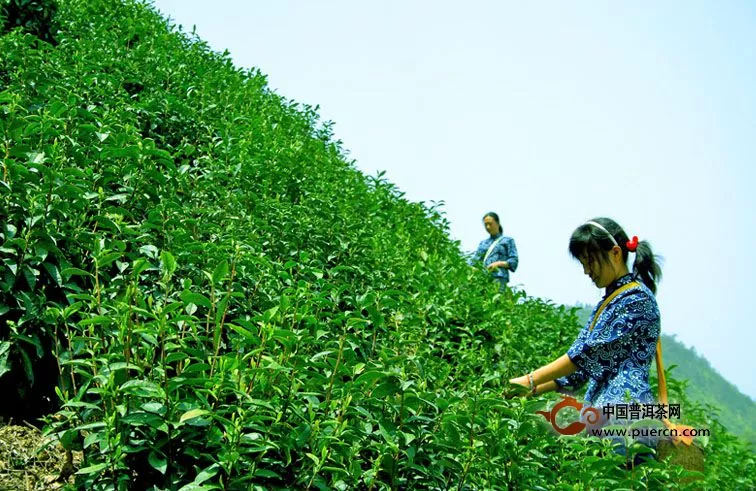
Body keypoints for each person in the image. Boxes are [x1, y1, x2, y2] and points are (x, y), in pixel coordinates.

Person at [508, 217, 662, 457]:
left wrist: (529, 379)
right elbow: (580, 371)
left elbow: (586, 354)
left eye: (590, 261)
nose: (586, 270)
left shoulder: (636, 299)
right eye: (583, 262)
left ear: (615, 253)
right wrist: (532, 389)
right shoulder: (612, 300)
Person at [473, 212, 518, 289]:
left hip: (499, 277)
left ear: (497, 223)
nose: (488, 227)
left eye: (490, 224)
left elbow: (514, 261)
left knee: (497, 299)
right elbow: (474, 261)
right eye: (485, 225)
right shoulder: (483, 243)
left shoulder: (507, 240)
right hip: (483, 278)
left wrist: (498, 264)